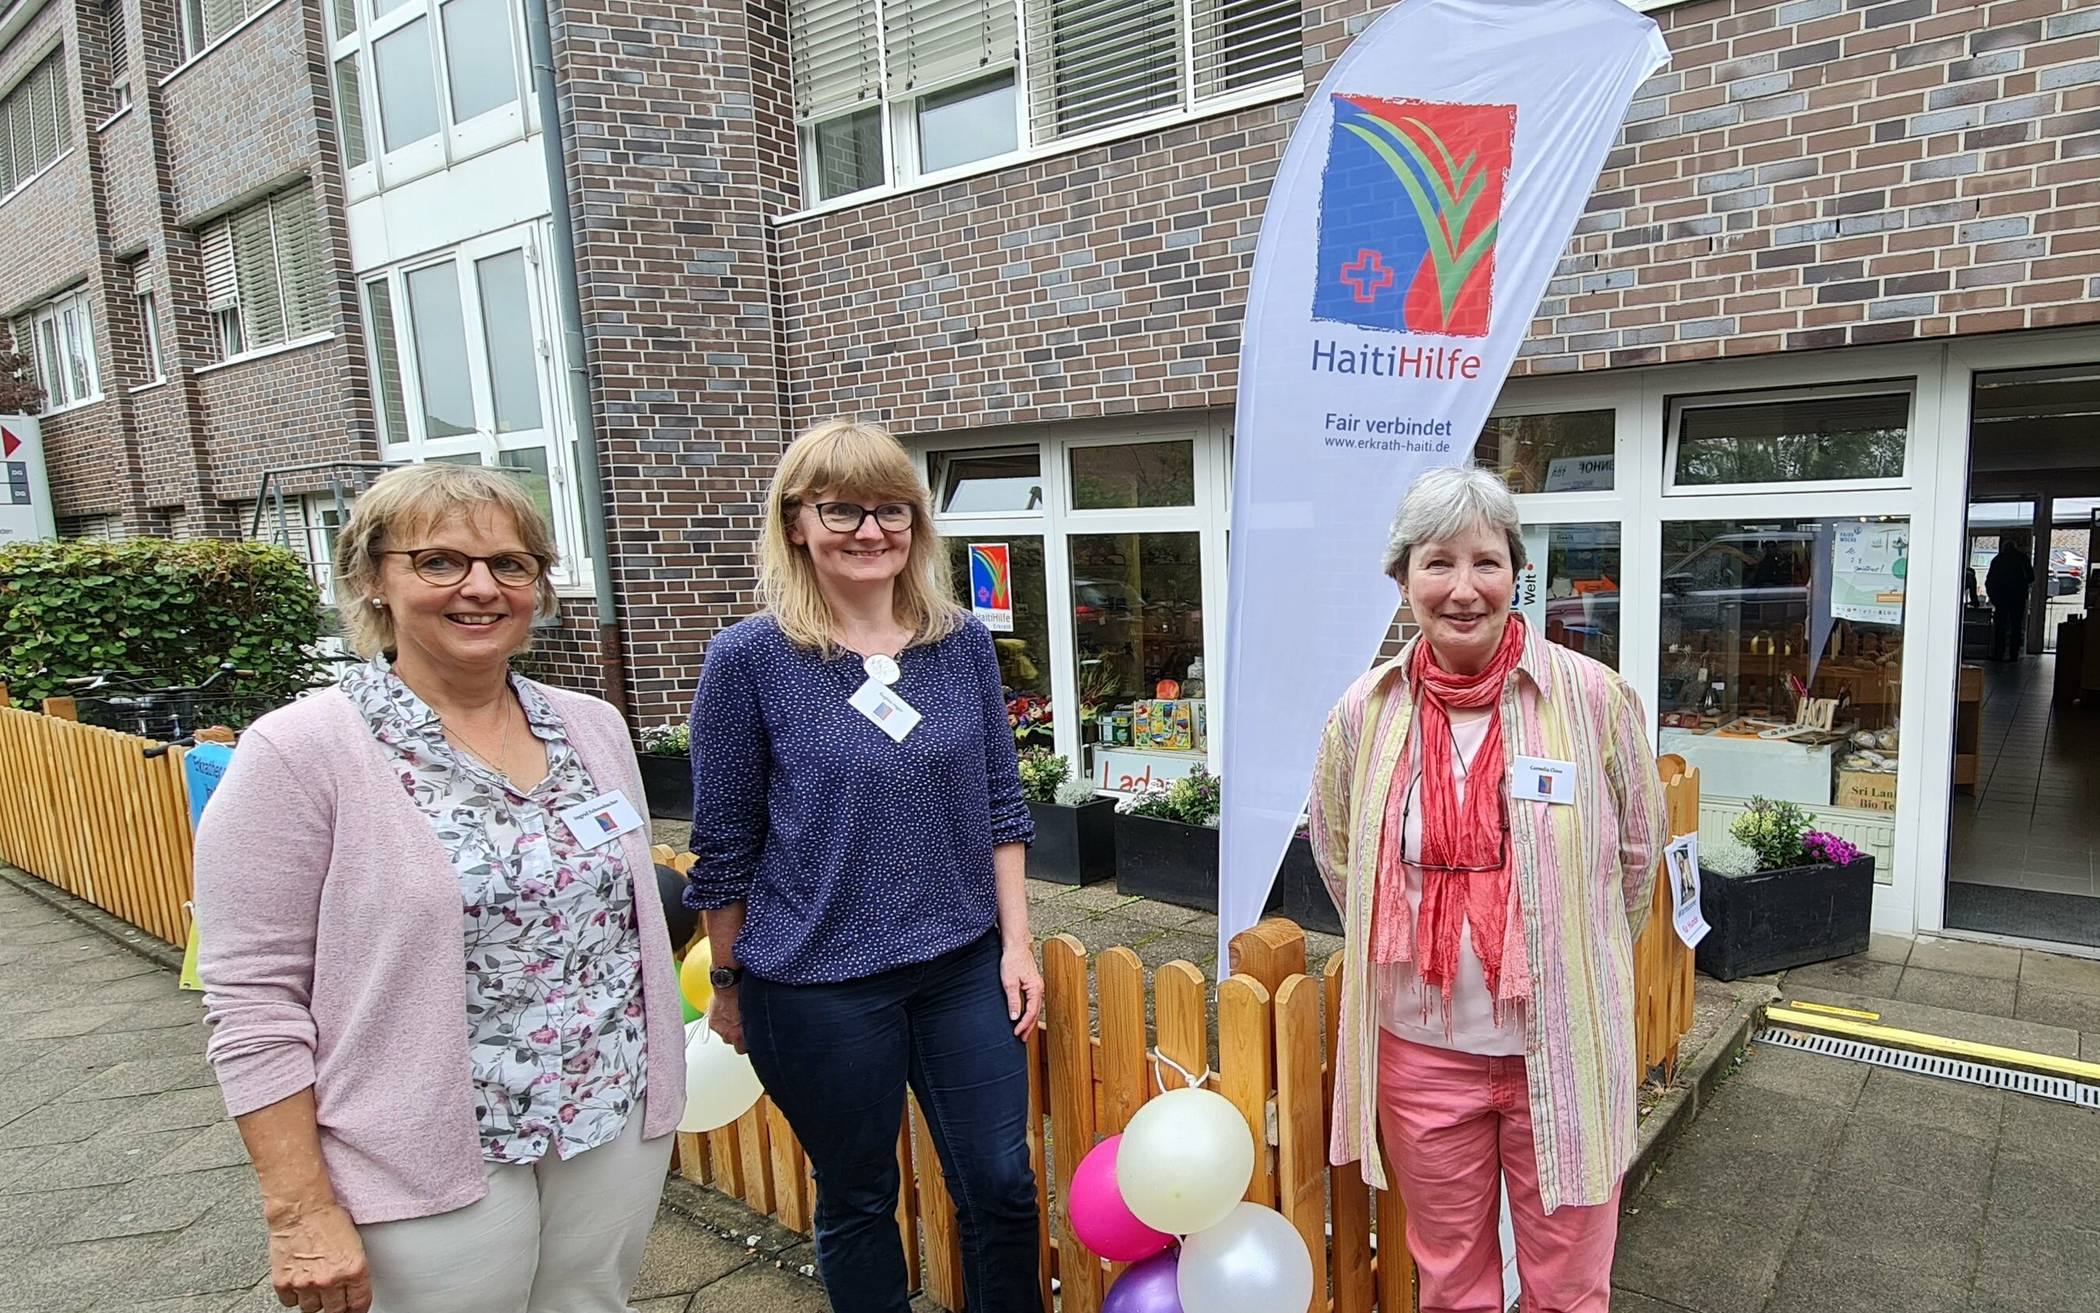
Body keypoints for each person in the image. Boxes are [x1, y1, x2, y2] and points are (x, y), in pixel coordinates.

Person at [194, 464, 685, 1313]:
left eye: (511, 564)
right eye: (440, 562)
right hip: (423, 1147)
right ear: (372, 579)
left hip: (609, 1112)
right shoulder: (299, 753)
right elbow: (252, 1002)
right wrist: (299, 1209)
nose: (481, 588)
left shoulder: (592, 727)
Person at [685, 419, 1041, 1313]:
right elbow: (724, 845)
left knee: (1001, 1185)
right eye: (842, 508)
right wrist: (728, 982)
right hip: (817, 985)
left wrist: (1018, 945)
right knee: (859, 1199)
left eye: (891, 509)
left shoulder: (957, 642)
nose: (870, 529)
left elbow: (1002, 802)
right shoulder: (751, 660)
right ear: (797, 522)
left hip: (960, 964)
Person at [1308, 466, 1668, 1313]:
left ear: (1516, 574)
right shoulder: (1365, 711)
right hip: (1424, 1056)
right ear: (1402, 578)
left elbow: (1637, 860)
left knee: (1569, 1288)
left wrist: (1571, 955)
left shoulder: (1593, 699)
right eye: (1438, 563)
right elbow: (1339, 853)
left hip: (1563, 1046)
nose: (1463, 589)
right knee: (1452, 1285)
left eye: (1486, 562)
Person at [1985, 535, 2035, 661]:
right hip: (2018, 598)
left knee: (2000, 627)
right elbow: (2031, 577)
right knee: (2016, 626)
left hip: (2001, 598)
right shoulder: (2022, 559)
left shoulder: (1998, 560)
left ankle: (1999, 654)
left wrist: (1993, 597)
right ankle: (2014, 655)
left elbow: (1989, 580)